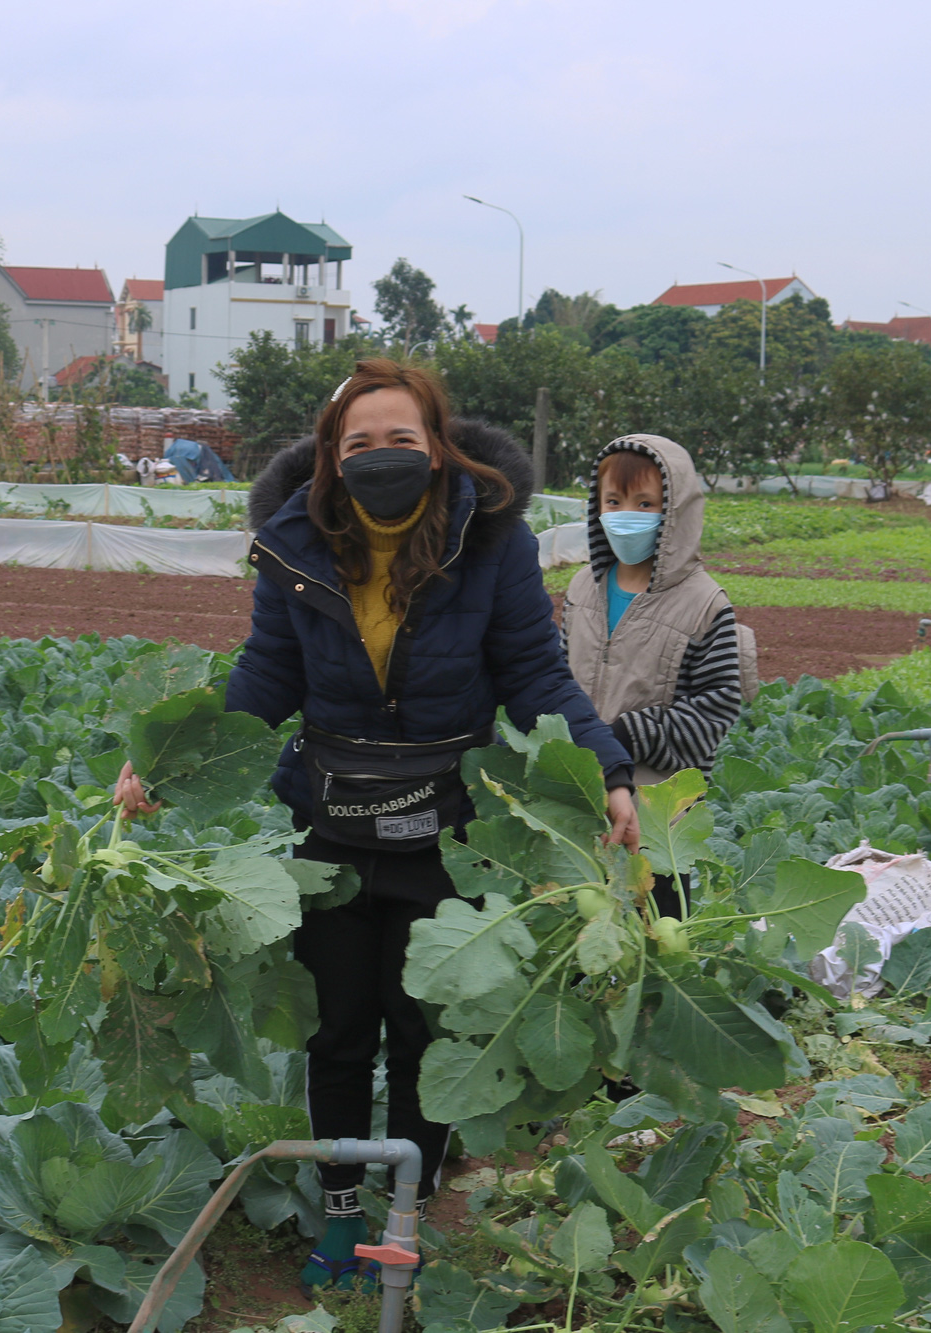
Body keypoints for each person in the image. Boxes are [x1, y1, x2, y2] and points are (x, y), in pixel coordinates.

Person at [116, 360, 637, 1295]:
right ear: (332, 457)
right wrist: (168, 761)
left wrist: (606, 771)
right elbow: (264, 681)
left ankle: (408, 1206)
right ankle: (343, 1214)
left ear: (437, 449)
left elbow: (539, 675)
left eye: (401, 440)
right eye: (360, 444)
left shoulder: (491, 543)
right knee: (340, 1029)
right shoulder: (294, 545)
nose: (381, 457)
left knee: (425, 1025)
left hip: (451, 825)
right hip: (335, 821)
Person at [558, 434, 745, 918]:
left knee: (651, 942)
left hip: (659, 818)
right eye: (614, 501)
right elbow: (556, 677)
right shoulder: (583, 588)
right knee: (580, 942)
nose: (626, 514)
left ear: (675, 511)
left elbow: (718, 705)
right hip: (583, 801)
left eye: (645, 503)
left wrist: (623, 737)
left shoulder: (705, 604)